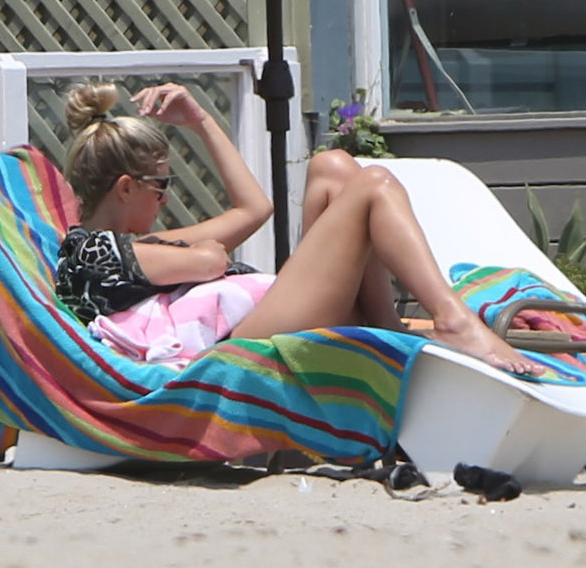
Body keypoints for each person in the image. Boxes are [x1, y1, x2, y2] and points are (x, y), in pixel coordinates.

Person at [56, 80, 534, 376]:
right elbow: (210, 260)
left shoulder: (144, 249)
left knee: (333, 167)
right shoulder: (91, 252)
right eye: (160, 184)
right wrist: (204, 251)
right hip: (235, 351)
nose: (166, 197)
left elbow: (254, 208)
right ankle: (453, 319)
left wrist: (200, 121)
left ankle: (385, 325)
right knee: (375, 184)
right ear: (125, 187)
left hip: (255, 324)